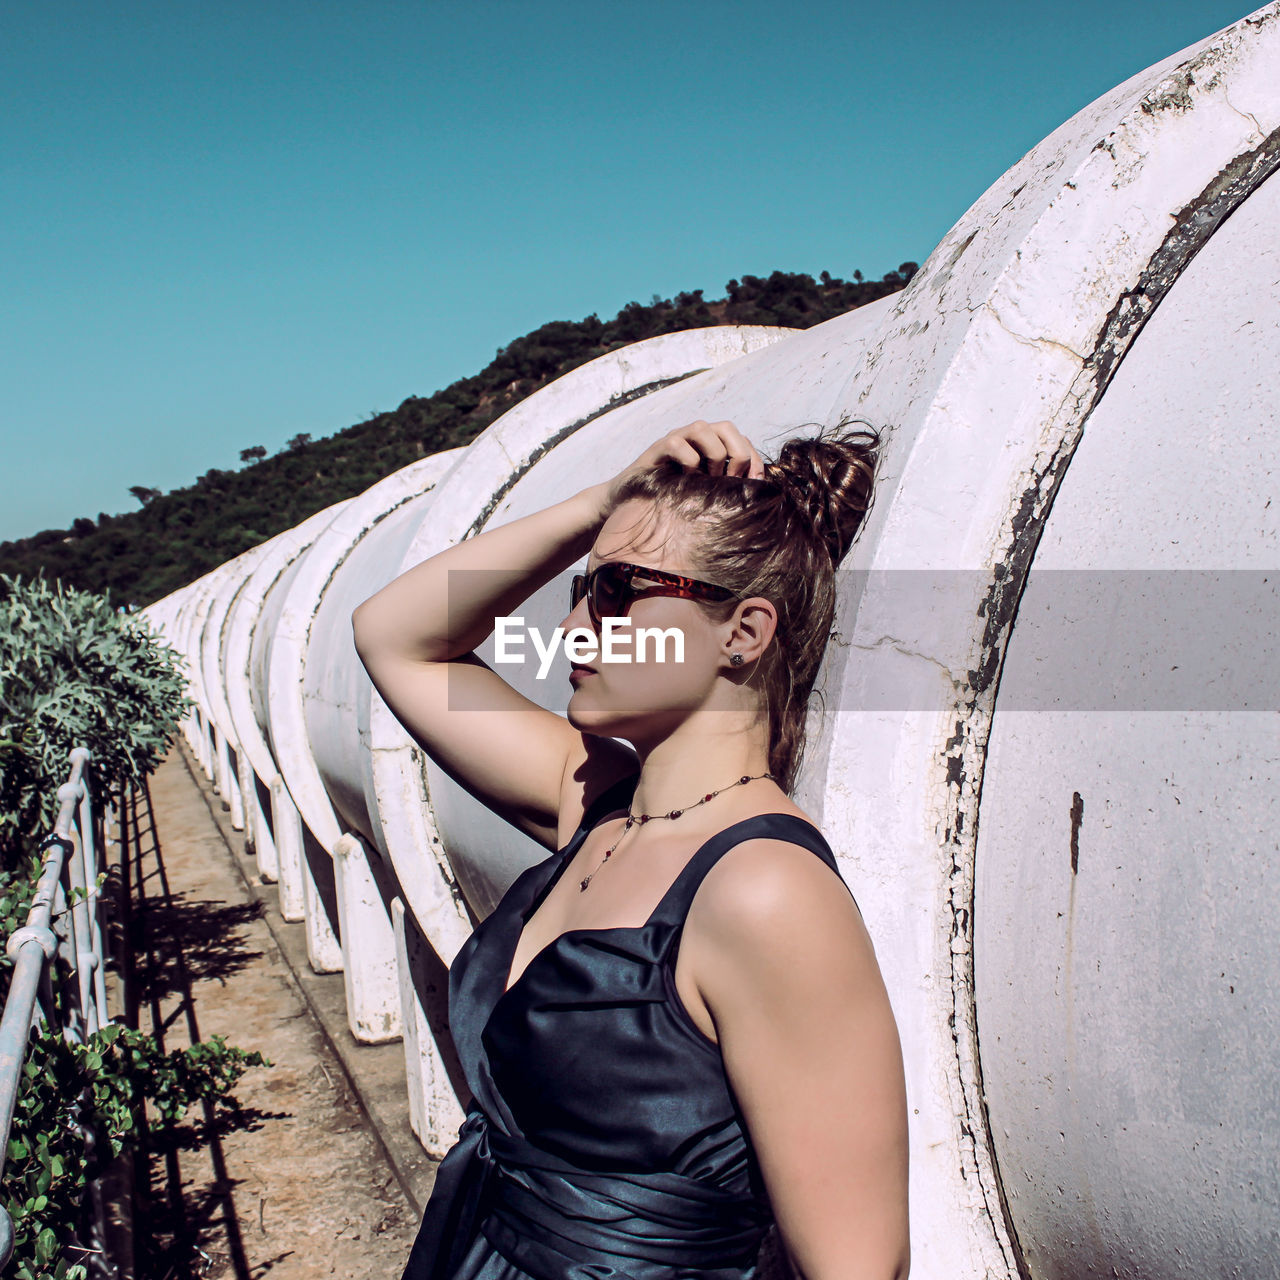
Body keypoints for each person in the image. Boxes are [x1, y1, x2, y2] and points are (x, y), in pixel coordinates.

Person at [352, 418, 910, 1280]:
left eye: (618, 592)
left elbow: (855, 1269)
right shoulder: (599, 807)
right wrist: (599, 503)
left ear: (745, 633)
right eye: (582, 590)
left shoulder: (764, 892)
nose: (574, 628)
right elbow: (394, 637)